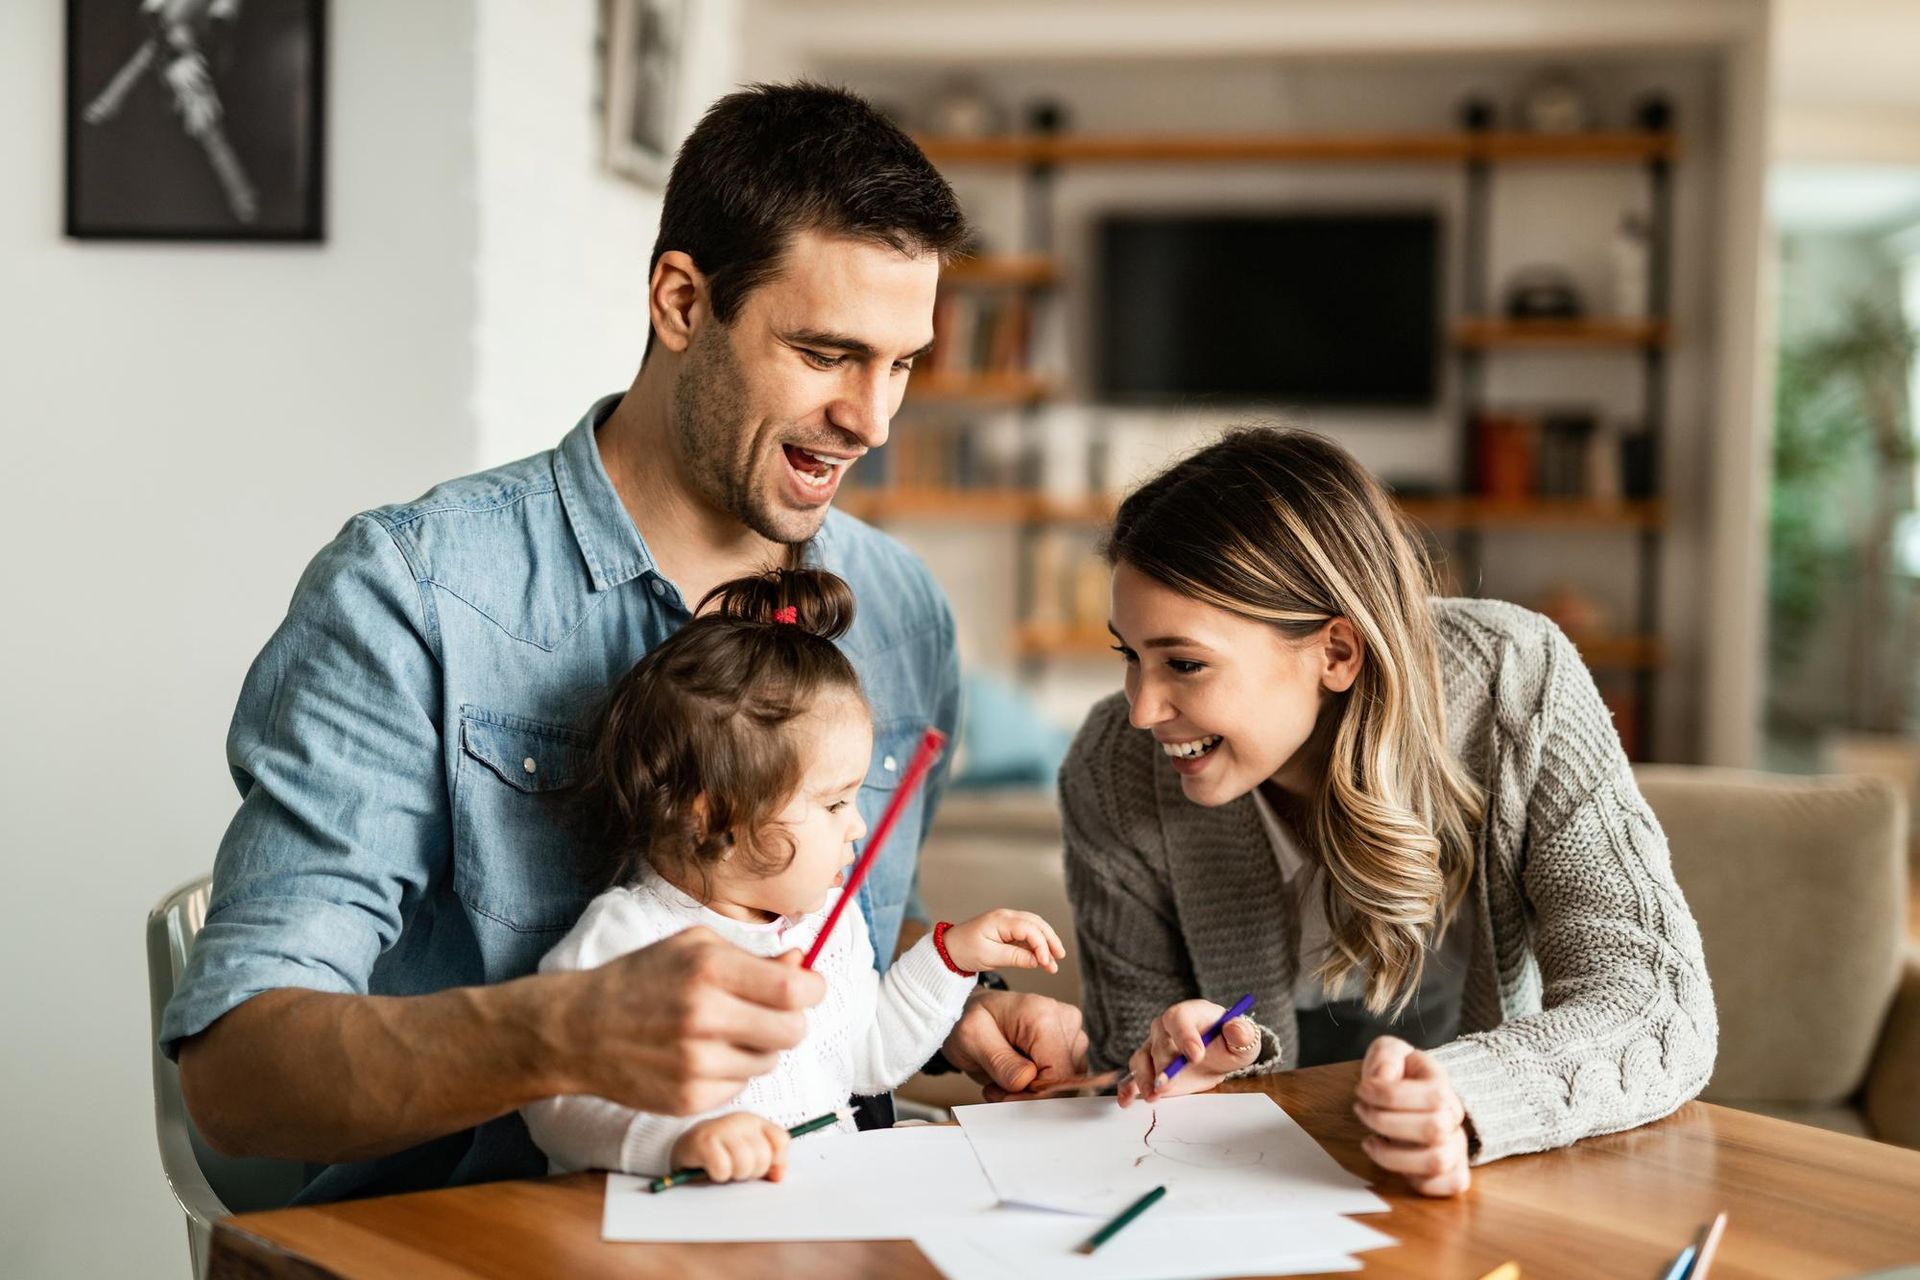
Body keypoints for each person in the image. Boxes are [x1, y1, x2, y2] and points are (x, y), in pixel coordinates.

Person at [163, 81, 1087, 1204]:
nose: (874, 419)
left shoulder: (898, 609)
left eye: (901, 363)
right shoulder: (411, 593)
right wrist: (558, 1031)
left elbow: (835, 919)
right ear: (682, 301)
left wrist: (957, 1015)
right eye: (827, 351)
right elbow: (237, 1076)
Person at [1061, 426, 1716, 1197]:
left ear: (1337, 652)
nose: (1142, 710)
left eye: (1185, 664)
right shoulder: (1115, 767)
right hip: (1263, 1198)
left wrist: (1468, 1098)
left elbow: (1658, 1005)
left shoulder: (1515, 684)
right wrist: (1179, 1065)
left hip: (1490, 1174)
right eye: (1129, 656)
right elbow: (1129, 1067)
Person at [523, 568, 1065, 1180]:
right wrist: (679, 1140)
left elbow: (870, 1060)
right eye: (835, 804)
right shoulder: (625, 939)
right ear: (715, 816)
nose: (857, 826)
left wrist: (952, 958)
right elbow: (558, 1104)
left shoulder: (828, 925)